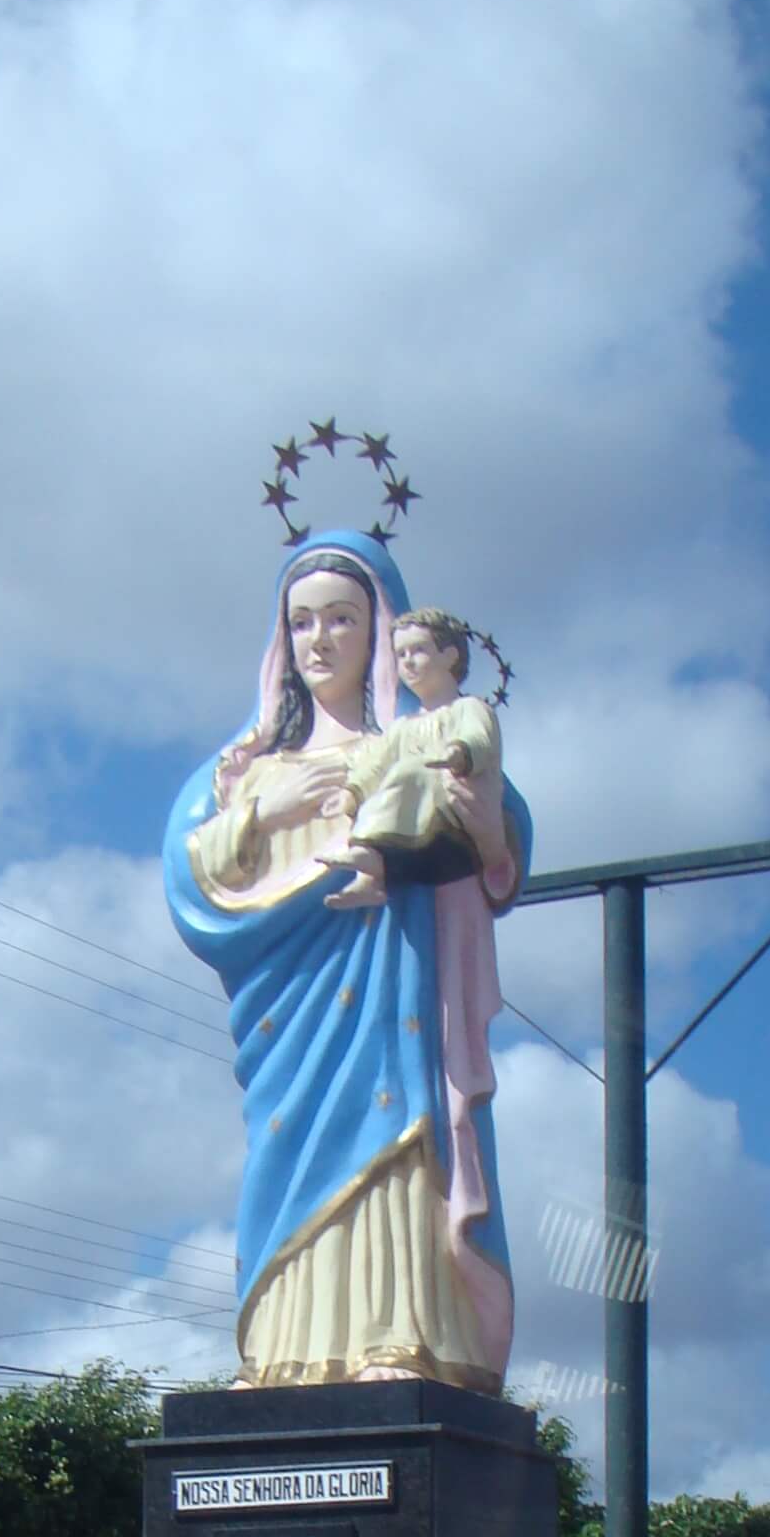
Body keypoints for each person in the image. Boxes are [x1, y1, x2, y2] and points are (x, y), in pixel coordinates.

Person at [164, 530, 531, 1393]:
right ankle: (284, 1351)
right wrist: (265, 810)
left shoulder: (418, 743)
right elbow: (192, 878)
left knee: (396, 1139)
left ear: (382, 633)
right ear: (280, 641)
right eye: (301, 623)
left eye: (341, 618)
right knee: (288, 1152)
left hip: (395, 980)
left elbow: (498, 852)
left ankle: (397, 1337)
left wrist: (467, 815)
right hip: (286, 1004)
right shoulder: (242, 770)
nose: (320, 639)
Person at [317, 607, 511, 908]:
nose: (407, 661)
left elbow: (480, 737)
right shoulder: (401, 728)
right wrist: (351, 792)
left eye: (418, 650)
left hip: (450, 815)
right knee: (389, 784)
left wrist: (459, 752)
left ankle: (369, 860)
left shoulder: (468, 708)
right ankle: (368, 879)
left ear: (450, 655)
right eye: (400, 654)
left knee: (408, 772)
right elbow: (375, 766)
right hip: (409, 821)